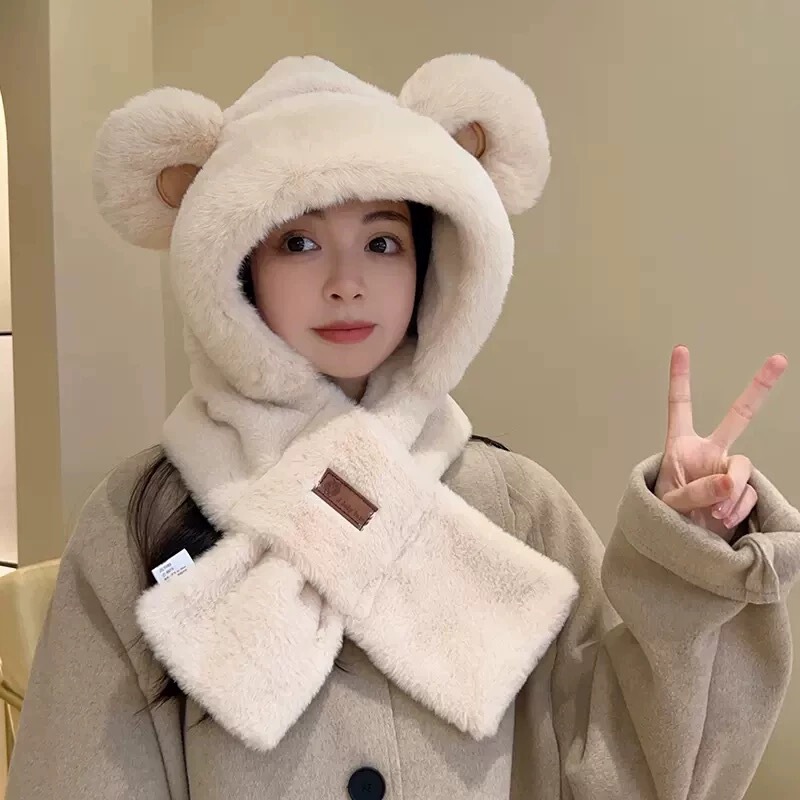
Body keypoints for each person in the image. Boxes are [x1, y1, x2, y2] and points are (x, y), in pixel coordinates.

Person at [6, 54, 799, 800]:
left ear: (431, 264)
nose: (347, 283)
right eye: (299, 241)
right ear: (238, 267)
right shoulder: (138, 520)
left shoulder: (515, 506)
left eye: (382, 242)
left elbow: (631, 766)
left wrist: (690, 557)